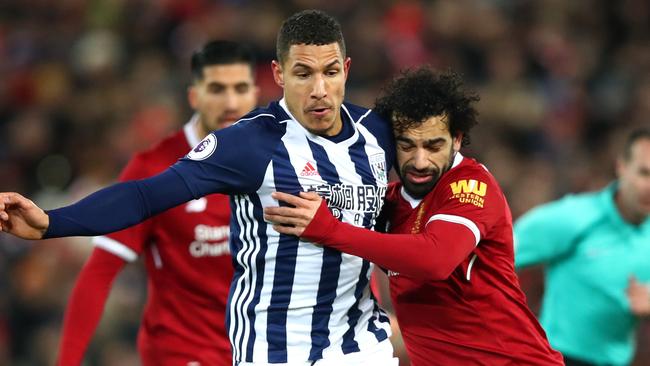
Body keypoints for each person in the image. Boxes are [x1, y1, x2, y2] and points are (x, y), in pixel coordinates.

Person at [0, 10, 397, 366]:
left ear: (346, 68)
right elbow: (145, 195)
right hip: (277, 350)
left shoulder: (378, 134)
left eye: (330, 72)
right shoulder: (249, 144)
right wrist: (51, 223)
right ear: (278, 74)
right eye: (303, 73)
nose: (319, 90)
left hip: (363, 343)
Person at [263, 67, 564, 365]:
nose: (420, 161)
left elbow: (434, 260)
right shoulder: (389, 203)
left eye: (433, 146)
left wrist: (330, 230)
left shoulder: (471, 185)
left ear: (457, 139)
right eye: (406, 145)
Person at [55, 40, 259, 366]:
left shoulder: (280, 160)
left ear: (254, 94)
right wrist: (67, 361)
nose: (231, 102)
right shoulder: (154, 168)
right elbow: (99, 271)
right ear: (195, 96)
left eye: (240, 88)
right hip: (184, 351)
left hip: (263, 350)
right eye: (218, 89)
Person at [514, 128, 650, 366]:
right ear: (621, 167)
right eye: (644, 173)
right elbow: (496, 255)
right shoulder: (573, 218)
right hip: (555, 358)